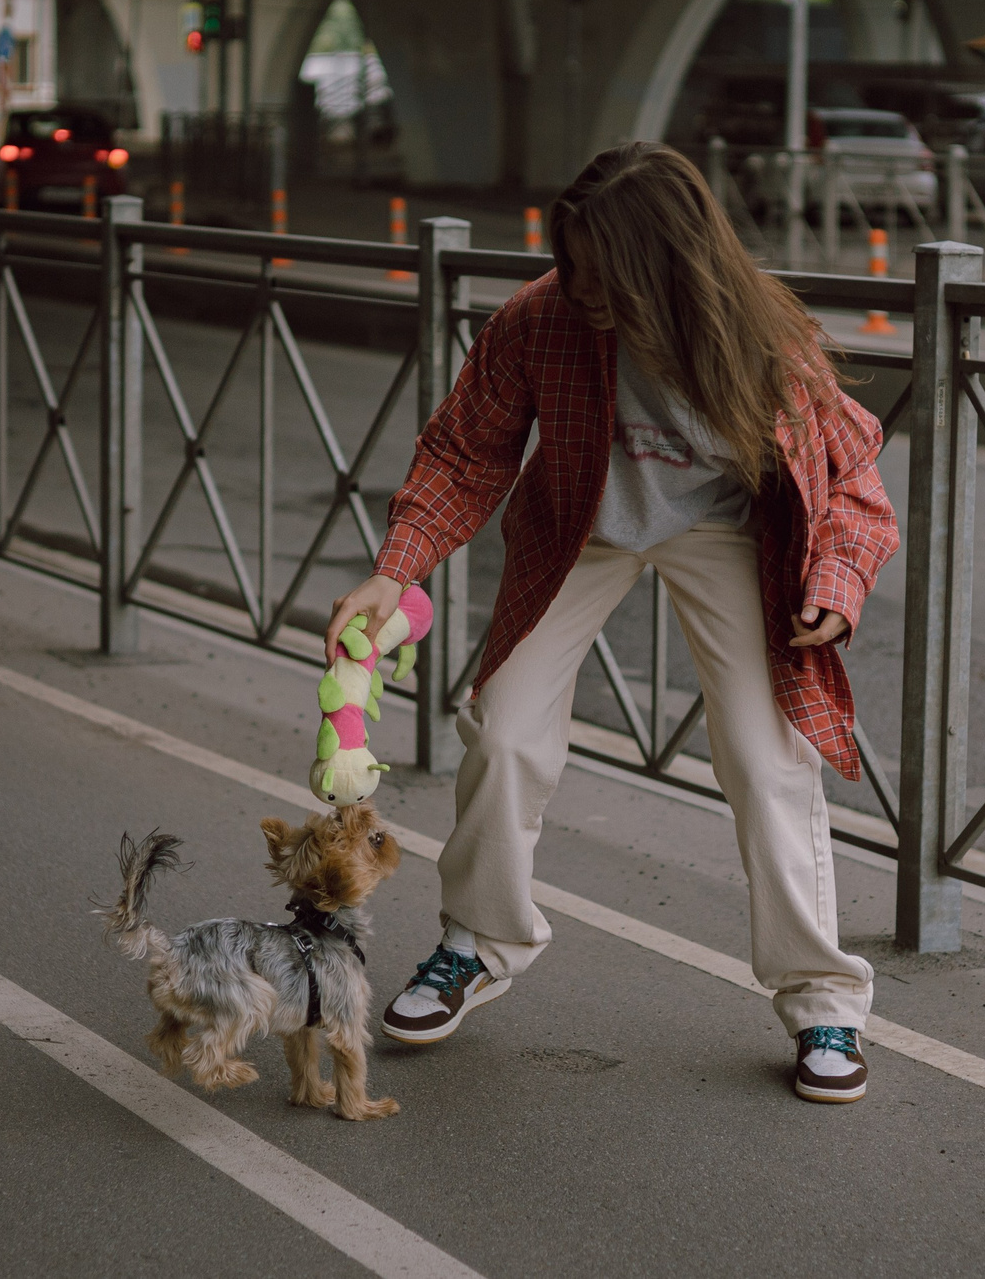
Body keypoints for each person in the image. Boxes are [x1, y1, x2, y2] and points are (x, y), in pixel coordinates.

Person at [331, 141, 897, 1103]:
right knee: (505, 736)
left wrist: (835, 584)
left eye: (602, 272)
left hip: (725, 530)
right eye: (571, 261)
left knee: (767, 760)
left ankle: (821, 999)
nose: (580, 286)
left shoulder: (764, 341)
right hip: (582, 527)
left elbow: (855, 476)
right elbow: (465, 453)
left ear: (667, 265)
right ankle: (477, 942)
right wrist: (393, 572)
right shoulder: (541, 317)